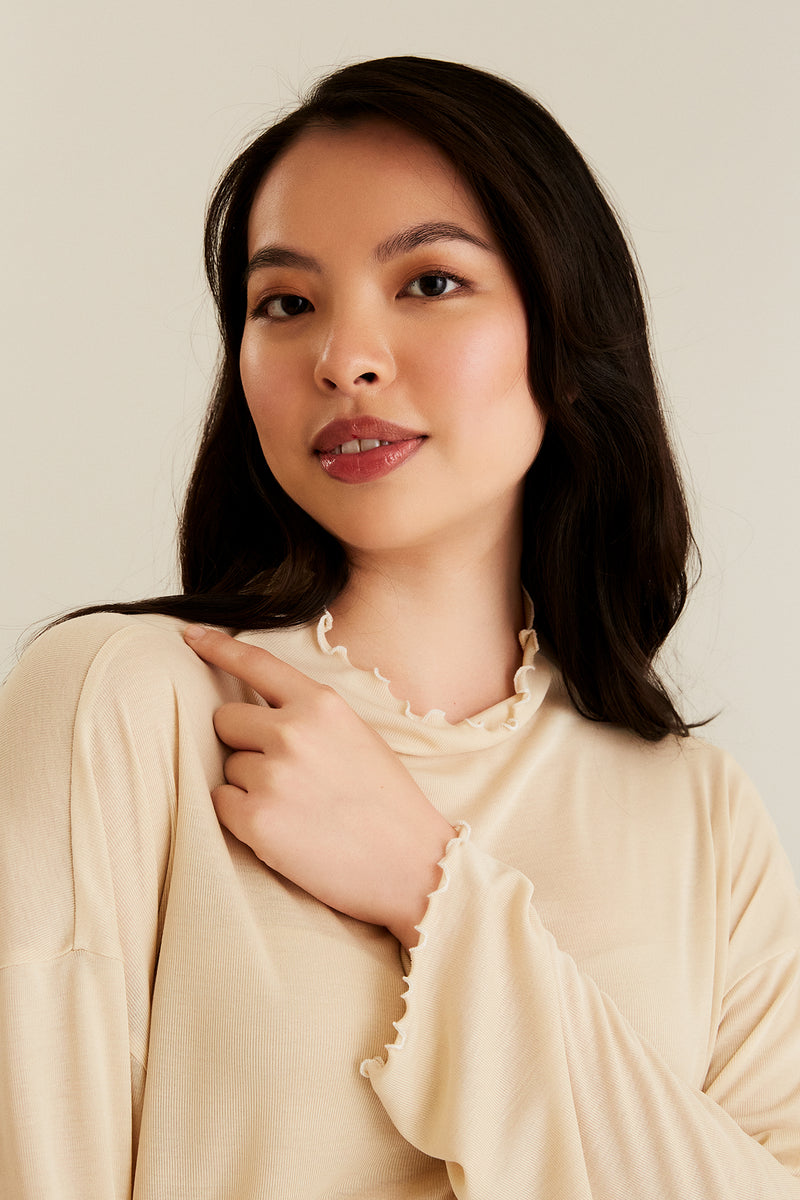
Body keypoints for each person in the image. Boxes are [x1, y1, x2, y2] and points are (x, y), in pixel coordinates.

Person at [1, 55, 799, 1199]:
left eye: (427, 282)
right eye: (285, 304)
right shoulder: (127, 706)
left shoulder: (699, 813)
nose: (344, 360)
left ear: (565, 336)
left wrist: (431, 889)